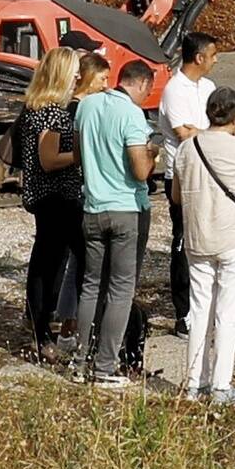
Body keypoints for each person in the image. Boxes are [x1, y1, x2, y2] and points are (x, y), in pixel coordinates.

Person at [66, 47, 158, 387]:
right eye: (148, 90)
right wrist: (153, 154)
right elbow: (138, 171)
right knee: (121, 289)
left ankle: (80, 361)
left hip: (92, 207)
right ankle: (105, 366)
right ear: (142, 84)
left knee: (91, 286)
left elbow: (77, 155)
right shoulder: (132, 115)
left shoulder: (87, 106)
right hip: (124, 209)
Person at [175, 103, 235, 401]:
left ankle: (194, 382)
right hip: (234, 235)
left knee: (200, 309)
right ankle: (221, 385)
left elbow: (177, 195)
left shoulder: (187, 148)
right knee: (229, 312)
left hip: (199, 235)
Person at [11, 34, 87, 359]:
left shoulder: (39, 107)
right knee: (52, 262)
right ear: (61, 74)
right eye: (74, 71)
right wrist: (81, 155)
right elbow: (49, 159)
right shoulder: (50, 112)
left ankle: (43, 325)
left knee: (49, 261)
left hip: (51, 196)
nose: (78, 76)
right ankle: (43, 331)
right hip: (55, 196)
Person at [153, 45, 219, 337]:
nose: (216, 60)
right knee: (183, 242)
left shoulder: (209, 87)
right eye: (213, 54)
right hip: (182, 175)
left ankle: (215, 304)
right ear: (199, 57)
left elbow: (219, 123)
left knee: (213, 239)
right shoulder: (174, 90)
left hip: (211, 172)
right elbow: (183, 133)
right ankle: (184, 312)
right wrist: (218, 133)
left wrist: (207, 131)